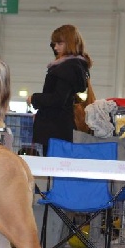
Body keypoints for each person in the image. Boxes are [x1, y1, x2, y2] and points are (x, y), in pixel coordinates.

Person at [27, 24, 92, 156]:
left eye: (60, 43)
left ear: (70, 43)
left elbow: (58, 99)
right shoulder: (74, 66)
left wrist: (34, 98)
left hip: (56, 128)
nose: (55, 48)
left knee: (54, 168)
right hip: (61, 128)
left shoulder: (67, 68)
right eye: (54, 44)